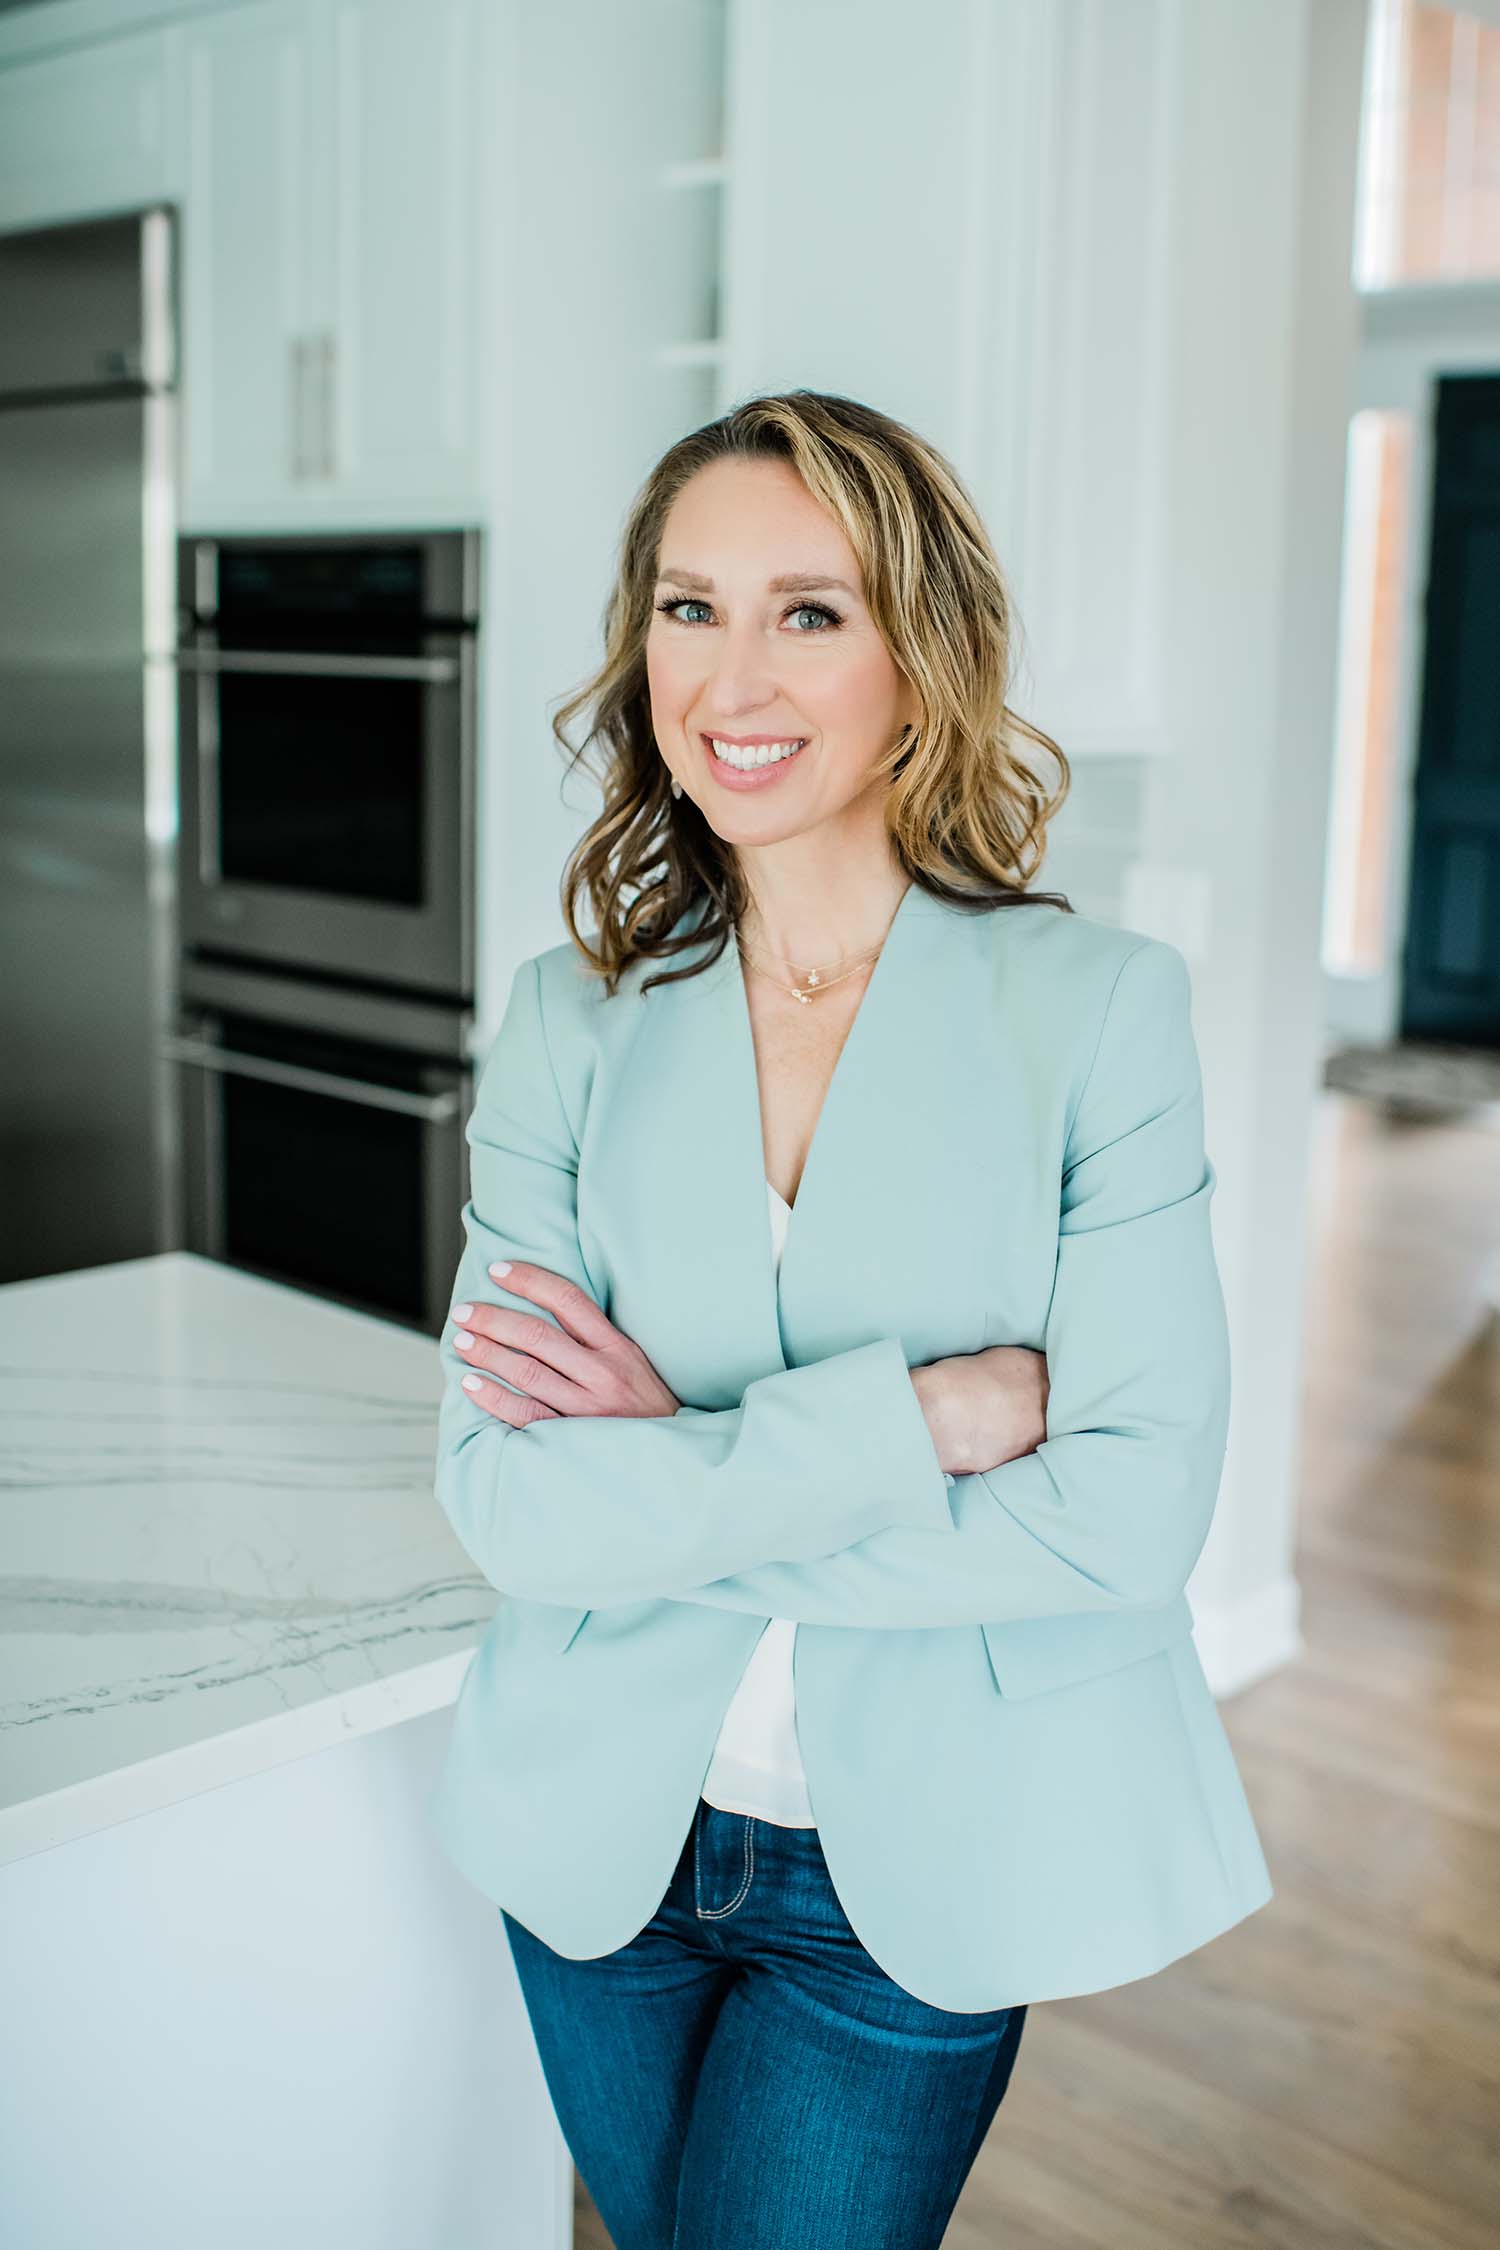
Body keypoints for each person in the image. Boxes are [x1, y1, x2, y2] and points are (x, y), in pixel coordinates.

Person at [431, 390, 1274, 2250]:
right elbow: (505, 1500)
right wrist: (921, 1425)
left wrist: (671, 1467)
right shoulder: (570, 1020)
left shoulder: (1097, 1012)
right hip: (597, 1840)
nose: (731, 676)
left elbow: (1125, 1518)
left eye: (808, 611)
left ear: (920, 657)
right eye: (689, 607)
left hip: (915, 1875)